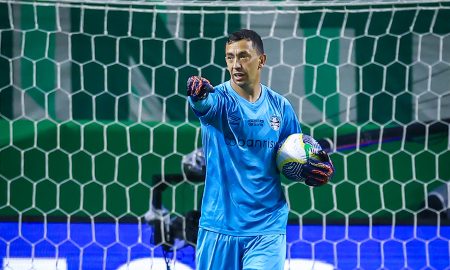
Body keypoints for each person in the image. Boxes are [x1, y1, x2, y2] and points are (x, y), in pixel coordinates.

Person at [186, 29, 334, 270]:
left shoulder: (281, 107)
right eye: (230, 57)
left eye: (243, 56)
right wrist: (198, 95)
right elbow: (204, 105)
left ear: (261, 60)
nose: (236, 64)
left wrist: (309, 171)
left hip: (267, 228)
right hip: (219, 226)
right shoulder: (218, 99)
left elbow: (293, 155)